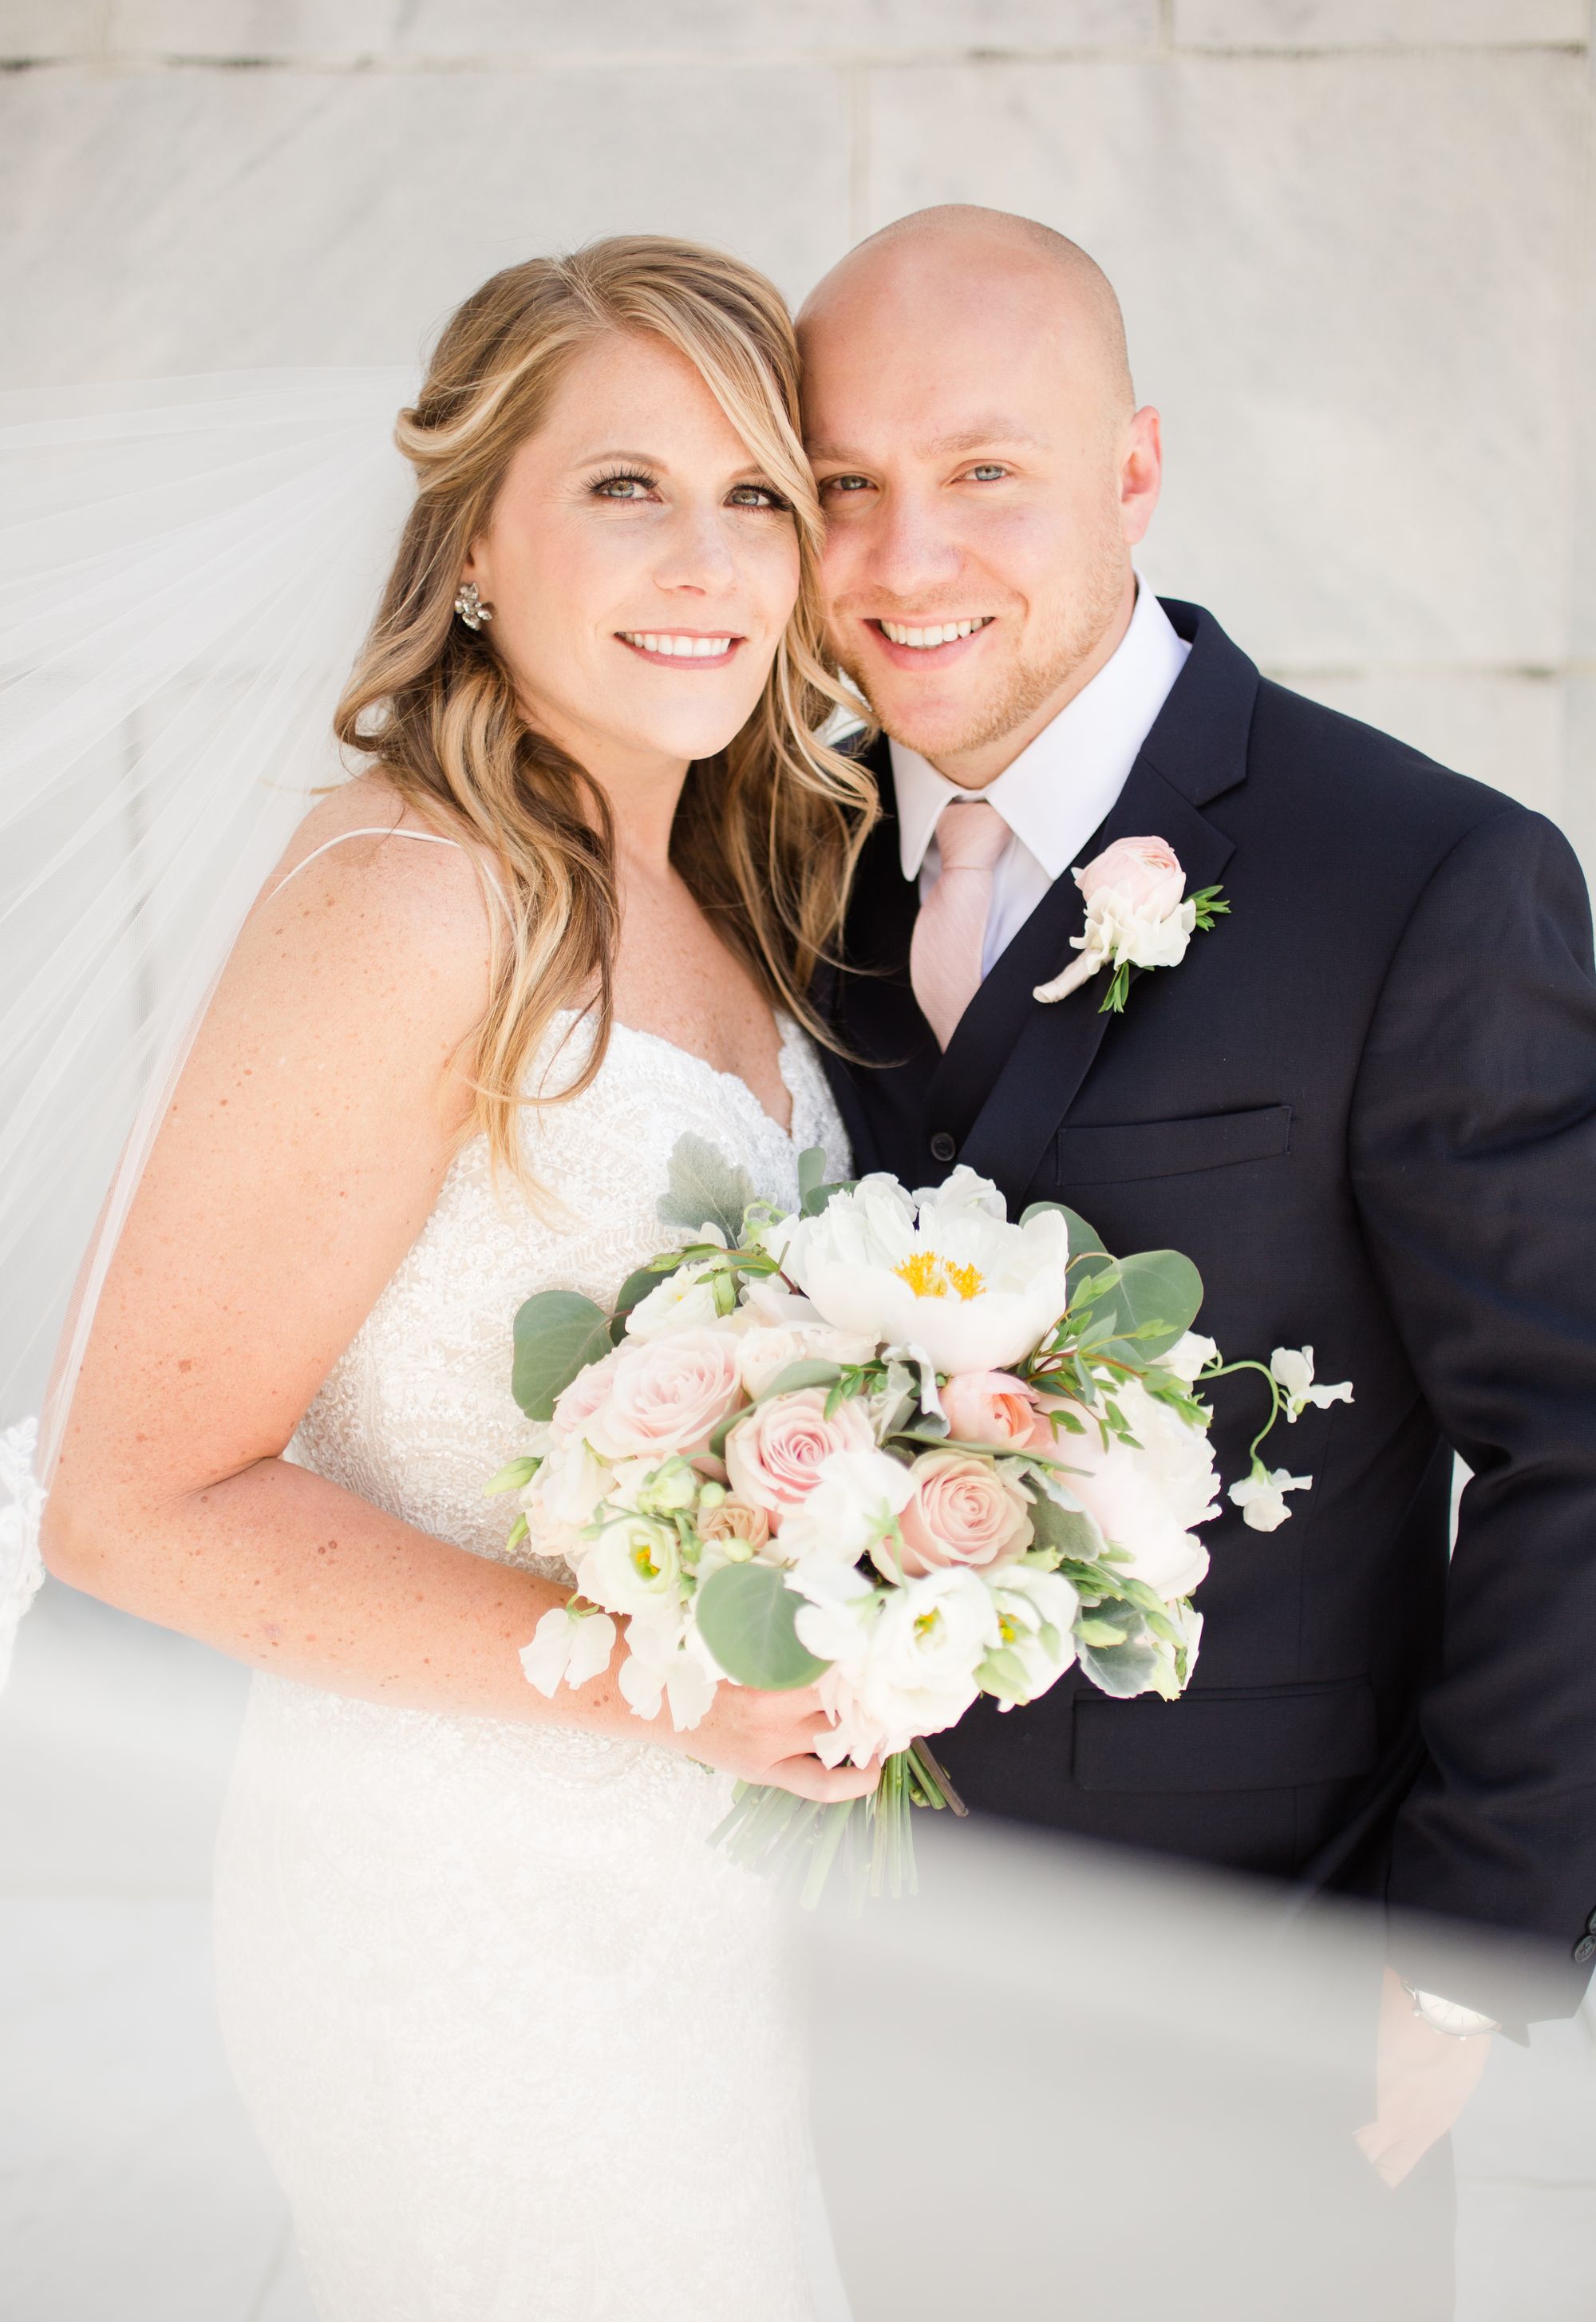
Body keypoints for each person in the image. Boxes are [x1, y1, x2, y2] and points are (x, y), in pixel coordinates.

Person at [38, 237, 877, 2322]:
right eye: (625, 487)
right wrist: (663, 1687)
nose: (706, 560)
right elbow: (132, 1501)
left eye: (756, 494)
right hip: (466, 1914)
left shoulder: (710, 891)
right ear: (476, 543)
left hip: (711, 1899)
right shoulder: (414, 901)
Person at [797, 203, 1596, 2233]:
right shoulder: (763, 858)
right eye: (842, 486)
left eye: (984, 471)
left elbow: (1574, 1435)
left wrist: (1460, 1947)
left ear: (1134, 467)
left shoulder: (1423, 877)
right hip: (803, 1989)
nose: (905, 560)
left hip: (1256, 2006)